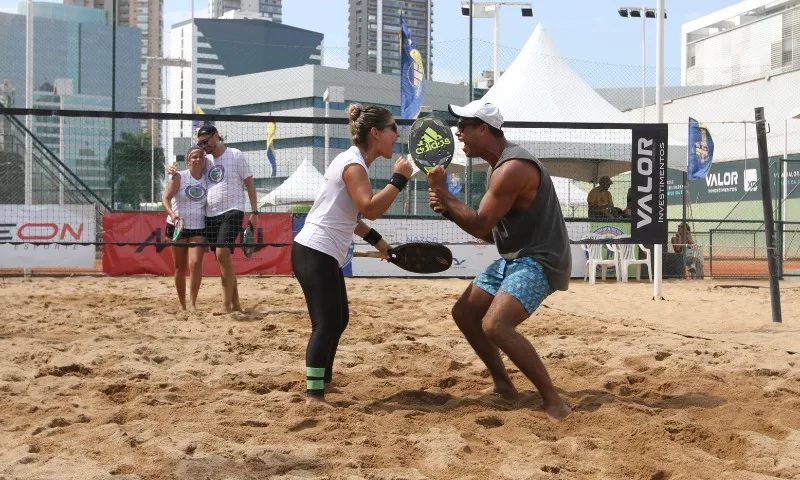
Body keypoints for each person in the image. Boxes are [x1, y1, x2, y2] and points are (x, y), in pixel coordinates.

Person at [426, 101, 572, 423]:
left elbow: (479, 225)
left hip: (541, 260)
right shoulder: (497, 168)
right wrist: (449, 208)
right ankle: (505, 387)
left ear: (483, 129)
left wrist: (444, 193)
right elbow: (490, 232)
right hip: (515, 258)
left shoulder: (512, 168)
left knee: (496, 325)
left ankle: (555, 403)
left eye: (464, 125)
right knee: (464, 312)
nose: (458, 132)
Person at [292, 104, 412, 405]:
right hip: (314, 250)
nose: (396, 135)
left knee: (339, 319)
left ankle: (324, 382)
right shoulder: (353, 164)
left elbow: (351, 216)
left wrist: (378, 241)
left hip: (320, 252)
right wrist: (399, 179)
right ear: (375, 133)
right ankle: (314, 396)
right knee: (326, 323)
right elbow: (370, 207)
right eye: (392, 129)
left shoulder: (355, 162)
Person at [171, 125, 259, 313]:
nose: (203, 146)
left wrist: (254, 212)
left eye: (205, 142)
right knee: (224, 259)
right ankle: (236, 304)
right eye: (199, 143)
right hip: (210, 215)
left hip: (233, 211)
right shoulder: (205, 160)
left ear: (216, 137)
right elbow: (187, 172)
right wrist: (171, 170)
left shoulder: (235, 155)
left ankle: (226, 307)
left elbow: (250, 184)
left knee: (221, 253)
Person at [162, 145, 209, 310]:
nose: (197, 160)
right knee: (179, 268)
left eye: (200, 157)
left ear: (204, 161)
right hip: (177, 226)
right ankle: (182, 305)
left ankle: (193, 303)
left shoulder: (207, 178)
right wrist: (172, 215)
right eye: (194, 157)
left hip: (199, 227)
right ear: (187, 160)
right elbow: (165, 199)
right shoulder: (179, 177)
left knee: (195, 263)